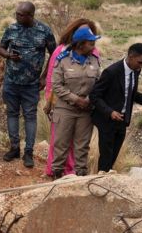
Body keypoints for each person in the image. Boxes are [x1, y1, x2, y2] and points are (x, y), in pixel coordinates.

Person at [0, 1, 57, 166]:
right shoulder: (11, 29)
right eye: (17, 13)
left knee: (30, 117)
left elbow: (54, 55)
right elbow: (0, 49)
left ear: (30, 15)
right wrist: (9, 55)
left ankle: (28, 153)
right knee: (12, 113)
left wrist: (45, 77)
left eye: (21, 15)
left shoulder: (44, 31)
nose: (17, 17)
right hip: (11, 81)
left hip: (32, 84)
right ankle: (14, 148)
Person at [42, 18, 99, 176]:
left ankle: (80, 176)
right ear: (80, 44)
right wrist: (76, 99)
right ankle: (56, 175)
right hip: (65, 109)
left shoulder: (94, 60)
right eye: (90, 42)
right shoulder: (62, 59)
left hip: (86, 111)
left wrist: (90, 100)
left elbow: (99, 83)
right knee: (61, 144)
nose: (94, 46)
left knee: (82, 146)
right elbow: (56, 85)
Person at [91, 43, 142, 173]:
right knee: (106, 156)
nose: (141, 66)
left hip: (122, 120)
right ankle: (100, 182)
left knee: (113, 155)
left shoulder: (136, 70)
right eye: (140, 62)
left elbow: (130, 92)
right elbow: (94, 95)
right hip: (107, 120)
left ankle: (108, 179)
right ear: (131, 56)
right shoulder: (111, 72)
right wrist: (110, 112)